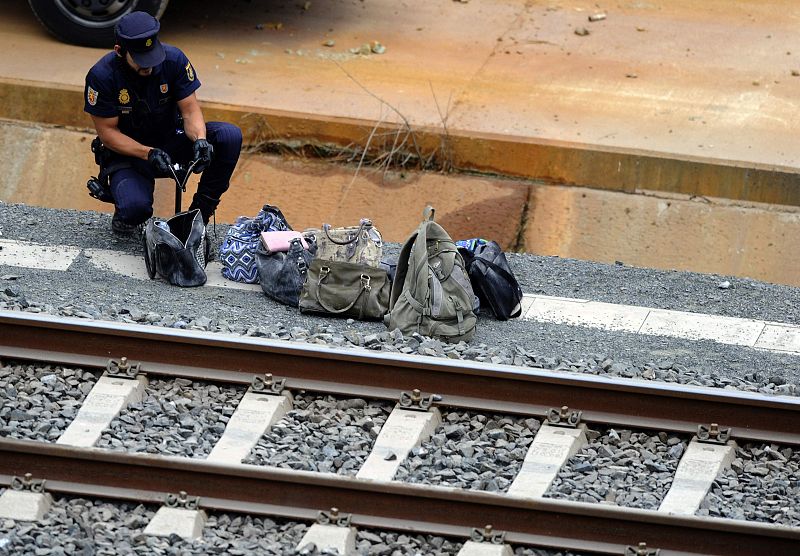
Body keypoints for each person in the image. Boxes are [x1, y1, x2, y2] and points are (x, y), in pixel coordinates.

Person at [83, 11, 242, 234]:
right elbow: (108, 134)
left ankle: (196, 221)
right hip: (130, 153)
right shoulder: (102, 76)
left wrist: (201, 140)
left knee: (229, 136)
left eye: (152, 56)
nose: (148, 66)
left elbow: (190, 110)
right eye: (141, 60)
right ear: (120, 51)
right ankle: (123, 204)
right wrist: (148, 153)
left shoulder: (174, 59)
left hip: (171, 139)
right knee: (134, 210)